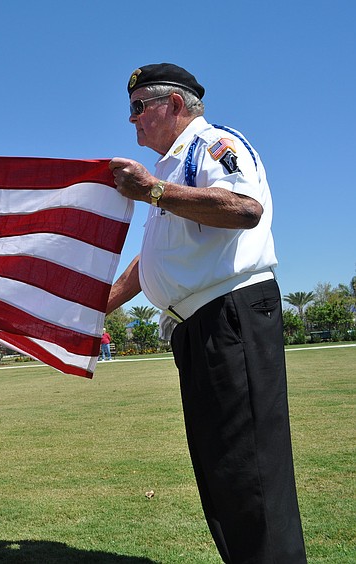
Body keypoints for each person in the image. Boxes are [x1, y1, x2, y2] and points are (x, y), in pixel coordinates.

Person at [106, 64, 306, 562]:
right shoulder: (171, 173)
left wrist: (153, 190)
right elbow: (150, 261)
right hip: (196, 329)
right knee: (221, 475)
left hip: (231, 316)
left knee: (249, 473)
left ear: (173, 105)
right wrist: (90, 309)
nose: (131, 123)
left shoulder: (212, 145)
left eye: (138, 108)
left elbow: (244, 209)